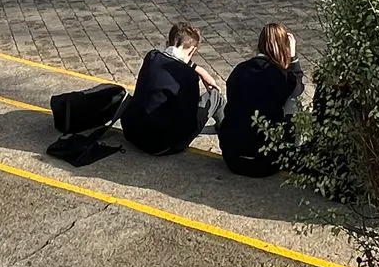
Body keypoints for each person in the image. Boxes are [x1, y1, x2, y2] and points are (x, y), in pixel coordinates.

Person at [120, 21, 224, 156]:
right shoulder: (188, 76)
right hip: (161, 145)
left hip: (130, 132)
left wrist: (199, 70)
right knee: (216, 97)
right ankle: (226, 129)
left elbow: (173, 57)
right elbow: (189, 118)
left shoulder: (152, 57)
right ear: (192, 50)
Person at [220, 22, 306, 177]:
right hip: (265, 162)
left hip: (232, 157)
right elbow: (298, 87)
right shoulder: (281, 77)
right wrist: (293, 58)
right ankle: (293, 151)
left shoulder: (239, 70)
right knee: (293, 102)